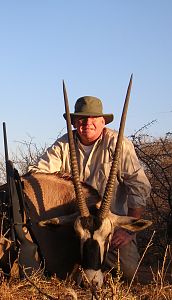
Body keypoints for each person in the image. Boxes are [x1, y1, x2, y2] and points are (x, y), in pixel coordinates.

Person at [28, 95, 151, 280]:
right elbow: (37, 175)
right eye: (81, 118)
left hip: (109, 226)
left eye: (93, 118)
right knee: (47, 266)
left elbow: (139, 186)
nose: (87, 123)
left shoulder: (119, 145)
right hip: (75, 225)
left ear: (103, 121)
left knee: (127, 273)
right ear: (74, 122)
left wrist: (127, 229)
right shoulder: (63, 145)